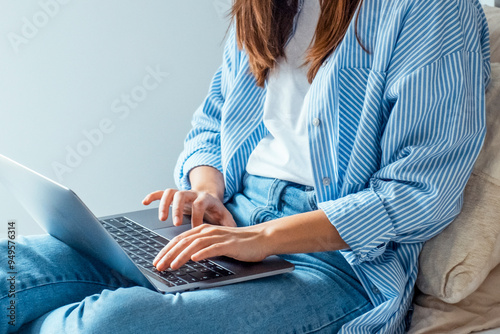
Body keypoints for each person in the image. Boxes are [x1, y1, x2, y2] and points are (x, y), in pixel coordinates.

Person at [0, 0, 491, 332]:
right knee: (12, 268)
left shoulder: (430, 11)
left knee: (105, 324)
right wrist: (207, 190)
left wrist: (265, 240)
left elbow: (421, 193)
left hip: (336, 262)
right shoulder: (263, 8)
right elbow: (214, 124)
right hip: (229, 217)